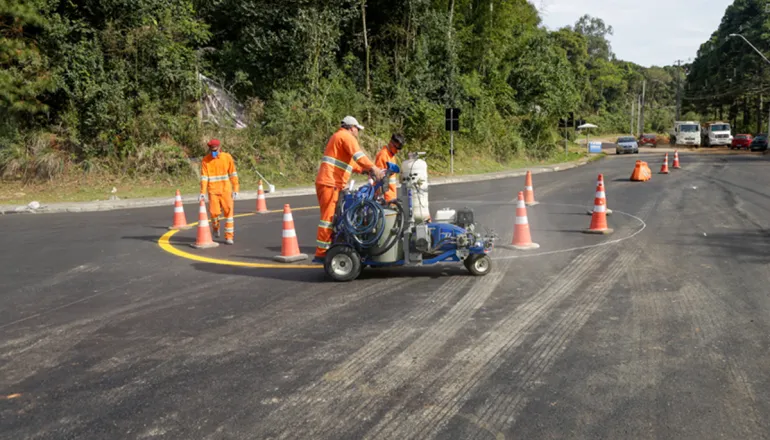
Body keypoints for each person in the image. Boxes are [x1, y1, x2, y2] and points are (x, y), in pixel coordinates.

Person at [314, 116, 384, 262]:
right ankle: (322, 252)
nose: (358, 132)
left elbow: (352, 164)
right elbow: (359, 156)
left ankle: (330, 246)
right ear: (352, 128)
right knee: (328, 218)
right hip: (330, 183)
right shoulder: (346, 137)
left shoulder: (339, 137)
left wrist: (366, 170)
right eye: (357, 129)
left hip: (329, 182)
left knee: (333, 217)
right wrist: (373, 168)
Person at [199, 139, 239, 245]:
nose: (213, 151)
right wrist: (202, 192)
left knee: (229, 213)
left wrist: (236, 189)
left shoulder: (227, 157)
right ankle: (216, 228)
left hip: (226, 190)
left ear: (219, 148)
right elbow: (204, 178)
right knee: (214, 213)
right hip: (213, 191)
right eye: (212, 150)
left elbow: (233, 174)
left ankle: (229, 237)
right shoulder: (206, 160)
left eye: (215, 149)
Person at [374, 133, 405, 202]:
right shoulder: (383, 155)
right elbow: (378, 177)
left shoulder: (391, 155)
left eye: (399, 149)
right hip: (385, 197)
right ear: (391, 143)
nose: (397, 151)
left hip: (391, 195)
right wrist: (381, 197)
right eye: (397, 148)